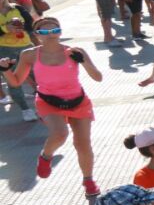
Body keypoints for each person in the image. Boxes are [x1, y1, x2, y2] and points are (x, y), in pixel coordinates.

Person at [3, 17, 102, 194]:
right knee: (60, 133)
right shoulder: (30, 55)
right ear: (36, 35)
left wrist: (83, 61)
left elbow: (98, 77)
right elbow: (16, 81)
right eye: (44, 32)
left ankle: (89, 181)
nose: (50, 35)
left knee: (83, 143)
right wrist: (5, 70)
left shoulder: (74, 51)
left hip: (77, 100)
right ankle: (46, 156)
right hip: (49, 101)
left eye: (55, 31)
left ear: (60, 32)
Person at [0, 0, 37, 122]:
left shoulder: (17, 8)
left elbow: (31, 24)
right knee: (14, 82)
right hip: (4, 50)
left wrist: (22, 26)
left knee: (39, 75)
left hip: (26, 47)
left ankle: (48, 102)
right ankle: (25, 109)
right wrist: (6, 29)